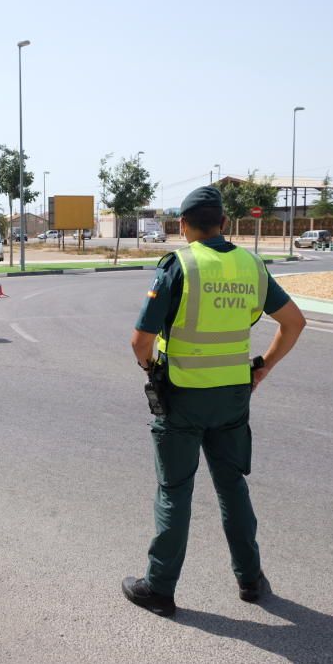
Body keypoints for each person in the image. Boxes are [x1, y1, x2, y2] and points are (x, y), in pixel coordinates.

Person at [122, 186, 306, 617]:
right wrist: (263, 366)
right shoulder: (252, 264)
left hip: (183, 397)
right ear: (224, 223)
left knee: (174, 490)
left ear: (183, 226)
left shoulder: (180, 265)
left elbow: (140, 341)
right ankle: (250, 579)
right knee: (232, 488)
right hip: (233, 398)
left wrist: (151, 370)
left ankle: (160, 587)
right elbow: (294, 322)